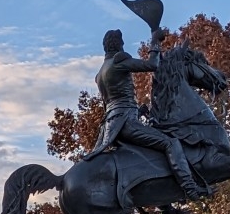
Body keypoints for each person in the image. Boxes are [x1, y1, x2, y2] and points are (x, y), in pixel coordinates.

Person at [86, 28, 209, 200]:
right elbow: (152, 65)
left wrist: (138, 110)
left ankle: (166, 206)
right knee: (170, 143)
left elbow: (113, 104)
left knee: (150, 157)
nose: (123, 44)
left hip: (111, 126)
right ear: (119, 44)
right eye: (122, 42)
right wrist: (155, 41)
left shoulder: (100, 74)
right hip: (126, 122)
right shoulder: (119, 60)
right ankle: (190, 189)